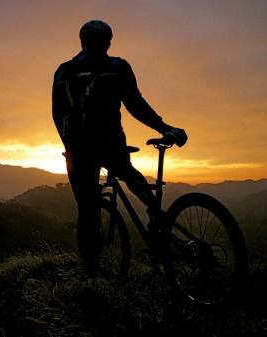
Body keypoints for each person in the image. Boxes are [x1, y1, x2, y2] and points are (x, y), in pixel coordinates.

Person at [52, 20, 187, 274]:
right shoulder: (117, 67)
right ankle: (157, 219)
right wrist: (164, 128)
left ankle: (91, 272)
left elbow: (56, 114)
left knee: (87, 211)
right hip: (110, 145)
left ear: (81, 41)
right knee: (133, 179)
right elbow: (136, 105)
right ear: (108, 42)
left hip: (78, 153)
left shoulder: (62, 72)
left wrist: (68, 145)